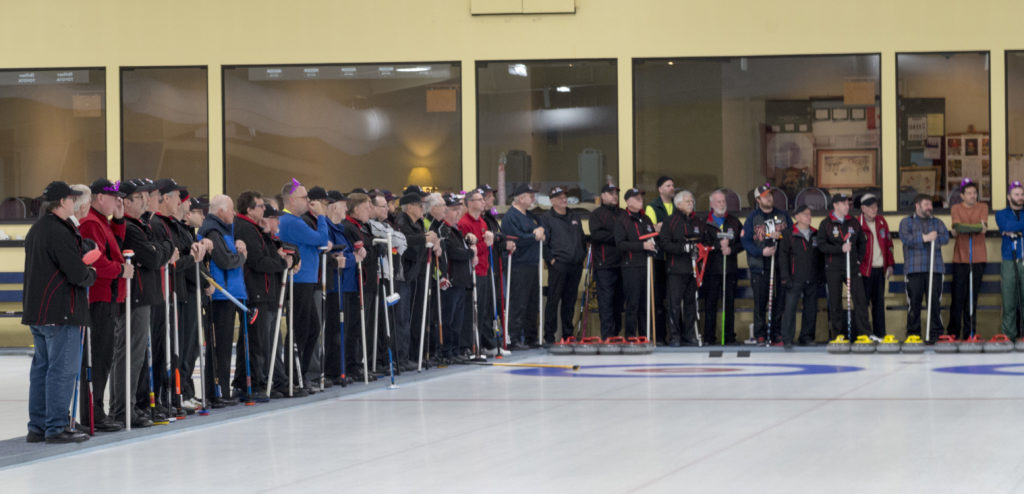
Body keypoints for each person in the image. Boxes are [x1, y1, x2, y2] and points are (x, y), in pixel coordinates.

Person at [23, 181, 97, 444]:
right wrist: (91, 273)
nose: (74, 203)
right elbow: (76, 272)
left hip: (39, 312)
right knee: (62, 370)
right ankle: (55, 426)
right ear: (62, 202)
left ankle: (38, 425)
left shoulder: (37, 229)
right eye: (71, 199)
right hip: (61, 311)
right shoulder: (59, 230)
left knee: (42, 369)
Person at [112, 179, 176, 425]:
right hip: (134, 297)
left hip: (144, 296)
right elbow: (152, 257)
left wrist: (161, 248)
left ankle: (129, 406)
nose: (144, 201)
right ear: (126, 202)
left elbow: (156, 252)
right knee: (130, 353)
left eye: (145, 196)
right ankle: (123, 408)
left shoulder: (141, 225)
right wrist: (165, 247)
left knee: (137, 355)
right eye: (138, 197)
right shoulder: (130, 228)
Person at [77, 179, 131, 433]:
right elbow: (97, 261)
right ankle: (93, 412)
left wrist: (119, 220)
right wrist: (120, 270)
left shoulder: (102, 222)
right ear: (100, 198)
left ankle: (97, 409)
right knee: (98, 358)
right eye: (114, 197)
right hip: (99, 297)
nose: (119, 201)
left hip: (109, 297)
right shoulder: (91, 223)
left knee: (105, 356)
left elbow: (114, 248)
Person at [234, 190, 291, 398]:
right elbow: (257, 261)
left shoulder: (254, 229)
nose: (263, 209)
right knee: (256, 341)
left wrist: (279, 256)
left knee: (260, 340)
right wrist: (282, 263)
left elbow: (269, 253)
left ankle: (256, 380)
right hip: (255, 291)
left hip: (263, 291)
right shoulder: (246, 229)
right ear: (249, 210)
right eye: (260, 206)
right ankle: (253, 383)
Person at [278, 180, 331, 390]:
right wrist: (322, 216)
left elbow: (316, 243)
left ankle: (301, 373)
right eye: (304, 198)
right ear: (292, 200)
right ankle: (295, 375)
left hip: (306, 280)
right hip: (299, 281)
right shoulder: (292, 222)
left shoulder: (296, 221)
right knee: (301, 329)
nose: (308, 201)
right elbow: (321, 239)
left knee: (311, 329)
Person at [198, 195, 248, 403]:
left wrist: (239, 247)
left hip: (230, 293)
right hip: (220, 294)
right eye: (231, 209)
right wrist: (242, 256)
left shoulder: (226, 229)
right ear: (220, 211)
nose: (234, 213)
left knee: (225, 346)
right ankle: (218, 391)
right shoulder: (213, 230)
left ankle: (222, 390)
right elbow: (225, 260)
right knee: (220, 347)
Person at [741, 183, 791, 345]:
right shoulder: (752, 218)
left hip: (780, 266)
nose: (769, 198)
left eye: (770, 195)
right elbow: (745, 241)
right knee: (760, 302)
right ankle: (760, 334)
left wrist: (781, 237)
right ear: (758, 199)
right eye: (765, 196)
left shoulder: (783, 215)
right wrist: (761, 252)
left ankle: (777, 333)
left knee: (779, 301)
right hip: (760, 266)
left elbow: (792, 236)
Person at [817, 193, 871, 341]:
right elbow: (821, 245)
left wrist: (858, 259)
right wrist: (840, 249)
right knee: (835, 302)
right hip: (833, 267)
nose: (848, 206)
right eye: (844, 203)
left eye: (848, 203)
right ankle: (838, 335)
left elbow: (862, 242)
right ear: (835, 205)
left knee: (860, 299)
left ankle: (864, 334)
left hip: (851, 267)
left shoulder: (853, 222)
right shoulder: (826, 223)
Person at [396, 189, 439, 367]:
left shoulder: (419, 223)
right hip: (404, 274)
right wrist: (424, 238)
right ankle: (402, 357)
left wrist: (433, 244)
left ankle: (413, 354)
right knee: (403, 317)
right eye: (420, 205)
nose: (423, 208)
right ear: (410, 207)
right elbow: (404, 241)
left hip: (416, 273)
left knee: (414, 316)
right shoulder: (401, 222)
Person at [898, 194, 950, 342]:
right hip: (914, 269)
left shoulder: (937, 222)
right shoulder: (906, 222)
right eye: (926, 204)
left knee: (934, 304)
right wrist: (924, 238)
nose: (929, 207)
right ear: (917, 205)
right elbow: (905, 238)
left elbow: (945, 238)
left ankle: (936, 335)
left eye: (930, 205)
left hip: (935, 269)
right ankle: (913, 335)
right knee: (914, 304)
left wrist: (934, 238)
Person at [539, 186, 586, 343]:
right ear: (552, 201)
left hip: (575, 266)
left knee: (570, 302)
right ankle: (549, 336)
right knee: (553, 301)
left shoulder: (574, 216)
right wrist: (551, 260)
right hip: (558, 266)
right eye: (559, 197)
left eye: (565, 196)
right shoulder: (546, 218)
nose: (563, 199)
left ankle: (568, 335)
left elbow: (582, 238)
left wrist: (582, 256)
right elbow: (543, 243)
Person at [501, 184, 546, 349]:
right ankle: (513, 338)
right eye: (530, 195)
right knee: (519, 301)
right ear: (520, 198)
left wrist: (540, 230)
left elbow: (541, 225)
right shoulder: (511, 217)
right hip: (518, 264)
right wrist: (534, 236)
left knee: (532, 302)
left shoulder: (530, 215)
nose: (533, 198)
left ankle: (530, 337)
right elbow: (516, 238)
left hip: (532, 263)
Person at [659, 190, 703, 346]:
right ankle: (675, 336)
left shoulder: (697, 221)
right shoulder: (670, 221)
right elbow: (664, 243)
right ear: (678, 204)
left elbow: (703, 240)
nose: (691, 204)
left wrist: (698, 249)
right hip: (676, 268)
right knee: (674, 304)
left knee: (691, 304)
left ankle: (689, 335)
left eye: (692, 201)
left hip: (693, 269)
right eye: (687, 201)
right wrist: (682, 248)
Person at [459, 188, 500, 353]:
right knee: (471, 311)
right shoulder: (464, 223)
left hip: (484, 270)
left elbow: (482, 247)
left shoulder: (482, 223)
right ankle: (467, 345)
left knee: (482, 310)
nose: (483, 202)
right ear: (470, 203)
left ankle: (479, 342)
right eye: (479, 200)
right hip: (473, 272)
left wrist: (486, 244)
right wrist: (486, 244)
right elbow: (473, 249)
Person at [701, 189, 743, 344]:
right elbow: (701, 244)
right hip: (711, 271)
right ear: (711, 204)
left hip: (729, 270)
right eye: (718, 201)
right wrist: (718, 245)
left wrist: (731, 249)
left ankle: (729, 337)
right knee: (710, 304)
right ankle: (709, 337)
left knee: (729, 304)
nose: (721, 204)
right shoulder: (704, 222)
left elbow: (743, 243)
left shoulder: (734, 221)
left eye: (723, 201)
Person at [341, 192, 375, 381]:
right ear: (355, 209)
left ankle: (358, 363)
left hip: (365, 282)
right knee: (353, 327)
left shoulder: (362, 226)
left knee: (361, 326)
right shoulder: (349, 227)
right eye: (366, 206)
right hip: (354, 283)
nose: (370, 210)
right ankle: (351, 364)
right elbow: (363, 252)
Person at [949, 178, 988, 340]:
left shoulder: (983, 207)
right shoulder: (956, 208)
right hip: (960, 259)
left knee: (972, 298)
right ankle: (953, 333)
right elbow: (958, 227)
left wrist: (966, 228)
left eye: (975, 193)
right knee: (957, 297)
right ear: (962, 195)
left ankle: (969, 333)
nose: (973, 196)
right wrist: (976, 228)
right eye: (969, 193)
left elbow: (982, 228)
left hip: (978, 258)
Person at [615, 188, 657, 338]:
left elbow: (652, 237)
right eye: (636, 198)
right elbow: (620, 244)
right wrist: (642, 246)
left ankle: (645, 336)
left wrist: (653, 246)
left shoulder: (646, 219)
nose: (640, 200)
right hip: (631, 266)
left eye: (641, 197)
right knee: (633, 303)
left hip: (647, 264)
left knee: (646, 303)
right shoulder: (622, 220)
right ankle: (631, 336)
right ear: (628, 201)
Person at [778, 205, 821, 348]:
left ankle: (806, 337)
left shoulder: (815, 233)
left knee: (810, 309)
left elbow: (820, 256)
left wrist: (820, 275)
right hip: (794, 278)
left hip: (812, 277)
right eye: (805, 214)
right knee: (790, 308)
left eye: (810, 214)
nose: (809, 217)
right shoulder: (788, 234)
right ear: (797, 216)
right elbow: (783, 257)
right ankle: (787, 338)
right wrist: (785, 276)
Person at [439, 193, 475, 361]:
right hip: (451, 280)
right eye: (454, 209)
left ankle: (455, 349)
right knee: (450, 317)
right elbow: (452, 252)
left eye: (458, 209)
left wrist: (467, 243)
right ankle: (448, 350)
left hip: (461, 280)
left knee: (458, 318)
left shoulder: (455, 230)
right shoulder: (444, 230)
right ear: (445, 211)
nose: (458, 212)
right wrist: (470, 252)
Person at [589, 184, 625, 339]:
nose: (614, 196)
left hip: (623, 264)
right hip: (604, 265)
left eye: (616, 193)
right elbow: (596, 235)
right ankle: (607, 336)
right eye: (611, 193)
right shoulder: (596, 214)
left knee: (619, 302)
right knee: (606, 302)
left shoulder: (623, 213)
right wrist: (618, 237)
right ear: (602, 196)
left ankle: (616, 334)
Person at [857, 193, 895, 339]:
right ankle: (864, 335)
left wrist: (890, 264)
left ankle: (880, 334)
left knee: (879, 304)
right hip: (864, 271)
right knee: (863, 304)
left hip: (880, 269)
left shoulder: (881, 221)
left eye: (876, 206)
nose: (874, 209)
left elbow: (889, 244)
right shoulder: (857, 224)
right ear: (863, 208)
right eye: (871, 207)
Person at [644, 176, 674, 344]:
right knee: (658, 299)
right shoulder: (652, 206)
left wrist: (664, 227)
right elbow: (652, 229)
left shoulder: (678, 204)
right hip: (659, 258)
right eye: (668, 185)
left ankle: (675, 336)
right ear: (660, 189)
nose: (672, 188)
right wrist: (663, 227)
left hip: (675, 258)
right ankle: (659, 336)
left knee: (673, 299)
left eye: (672, 185)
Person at [996, 181, 1024, 340]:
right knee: (1009, 302)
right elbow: (1006, 225)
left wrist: (1015, 229)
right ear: (1009, 197)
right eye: (1016, 194)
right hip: (1009, 260)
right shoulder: (1001, 214)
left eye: (1022, 194)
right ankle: (1009, 336)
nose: (1020, 197)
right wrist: (1016, 229)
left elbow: (1011, 227)